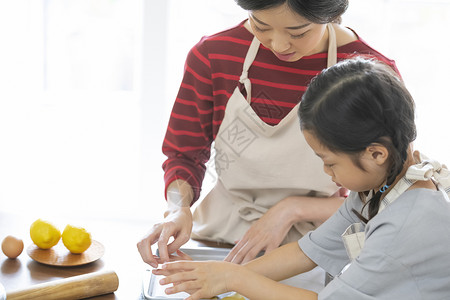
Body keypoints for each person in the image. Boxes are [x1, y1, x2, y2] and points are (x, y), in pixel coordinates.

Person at [137, 0, 399, 283]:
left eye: (297, 32)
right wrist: (178, 208)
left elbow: (389, 192)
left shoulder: (370, 74)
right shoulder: (214, 57)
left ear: (330, 14)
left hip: (315, 246)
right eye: (260, 25)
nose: (279, 45)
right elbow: (183, 155)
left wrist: (291, 209)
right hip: (220, 238)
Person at [153, 58, 450, 299]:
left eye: (329, 161)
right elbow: (309, 250)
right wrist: (221, 275)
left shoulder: (407, 221)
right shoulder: (383, 185)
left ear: (376, 154)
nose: (326, 172)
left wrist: (233, 277)